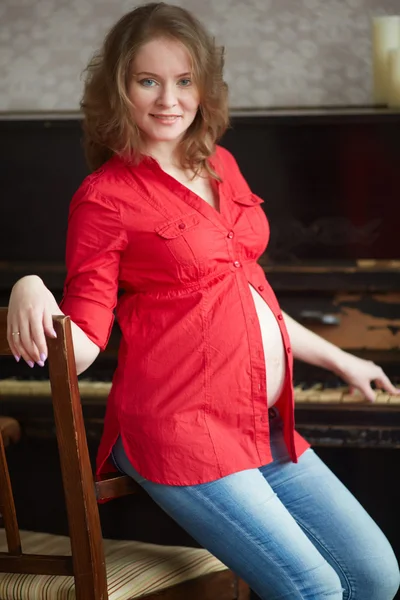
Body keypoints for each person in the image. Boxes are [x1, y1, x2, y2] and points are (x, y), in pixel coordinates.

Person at [7, 3, 400, 599]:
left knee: (376, 576)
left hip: (254, 424)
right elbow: (83, 344)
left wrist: (340, 358)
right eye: (148, 81)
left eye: (184, 80)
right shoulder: (103, 199)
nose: (169, 99)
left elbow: (245, 295)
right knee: (314, 589)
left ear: (203, 87)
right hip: (178, 431)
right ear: (120, 90)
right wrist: (27, 287)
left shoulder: (221, 163)